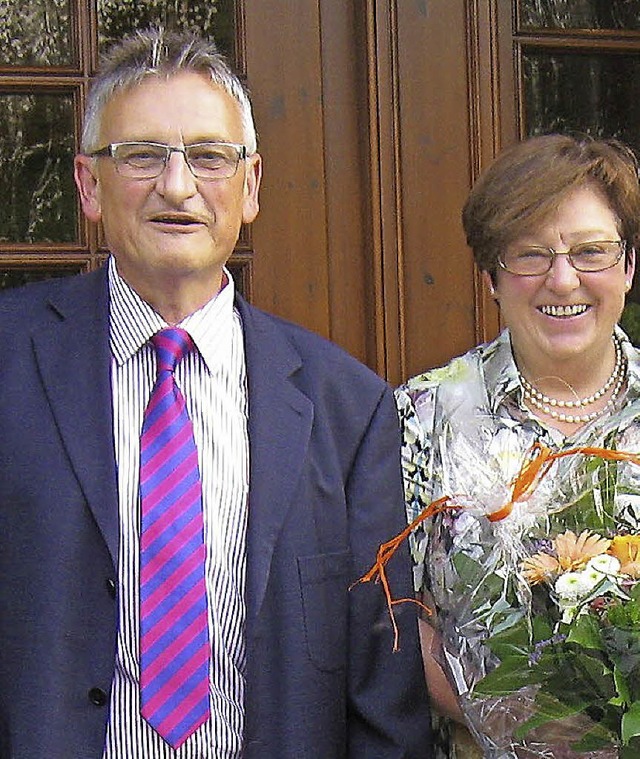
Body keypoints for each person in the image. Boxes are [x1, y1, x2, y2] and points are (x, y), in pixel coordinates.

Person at [0, 27, 433, 758]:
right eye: (141, 156)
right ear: (88, 184)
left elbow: (380, 691)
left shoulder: (347, 407)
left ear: (252, 184)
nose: (177, 186)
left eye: (208, 156)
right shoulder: (10, 360)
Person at [396, 134, 640, 758]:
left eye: (591, 252)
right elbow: (392, 609)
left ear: (629, 266)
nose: (563, 281)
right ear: (491, 277)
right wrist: (520, 719)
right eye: (530, 256)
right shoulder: (421, 416)